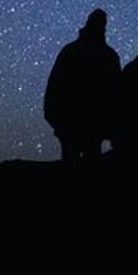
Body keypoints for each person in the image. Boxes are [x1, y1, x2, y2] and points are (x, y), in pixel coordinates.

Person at [43, 8, 121, 161]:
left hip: (75, 121)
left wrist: (53, 115)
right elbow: (116, 92)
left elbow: (54, 85)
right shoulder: (107, 55)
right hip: (88, 122)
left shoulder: (71, 51)